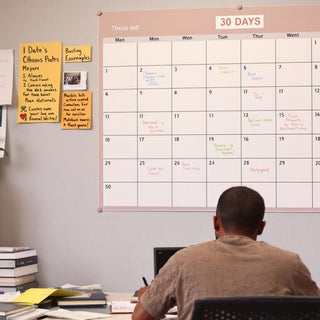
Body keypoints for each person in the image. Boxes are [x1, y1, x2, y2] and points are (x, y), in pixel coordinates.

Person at [132, 186, 320, 320]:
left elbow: (140, 318)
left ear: (215, 222)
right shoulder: (289, 264)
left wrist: (145, 298)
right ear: (261, 227)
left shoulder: (182, 261)